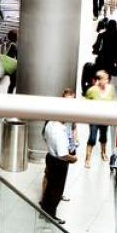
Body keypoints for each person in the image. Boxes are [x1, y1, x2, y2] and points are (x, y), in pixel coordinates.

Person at [40, 91, 79, 223]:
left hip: (50, 157)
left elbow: (45, 137)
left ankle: (44, 210)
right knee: (56, 191)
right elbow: (63, 155)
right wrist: (73, 159)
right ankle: (51, 216)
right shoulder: (60, 131)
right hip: (58, 163)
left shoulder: (49, 124)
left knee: (50, 186)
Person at [82, 70, 115, 167]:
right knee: (92, 138)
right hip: (94, 118)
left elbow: (112, 102)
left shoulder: (110, 89)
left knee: (104, 137)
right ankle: (87, 159)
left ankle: (103, 153)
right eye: (104, 79)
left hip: (105, 118)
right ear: (99, 80)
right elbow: (86, 103)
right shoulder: (92, 90)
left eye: (107, 79)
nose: (106, 81)